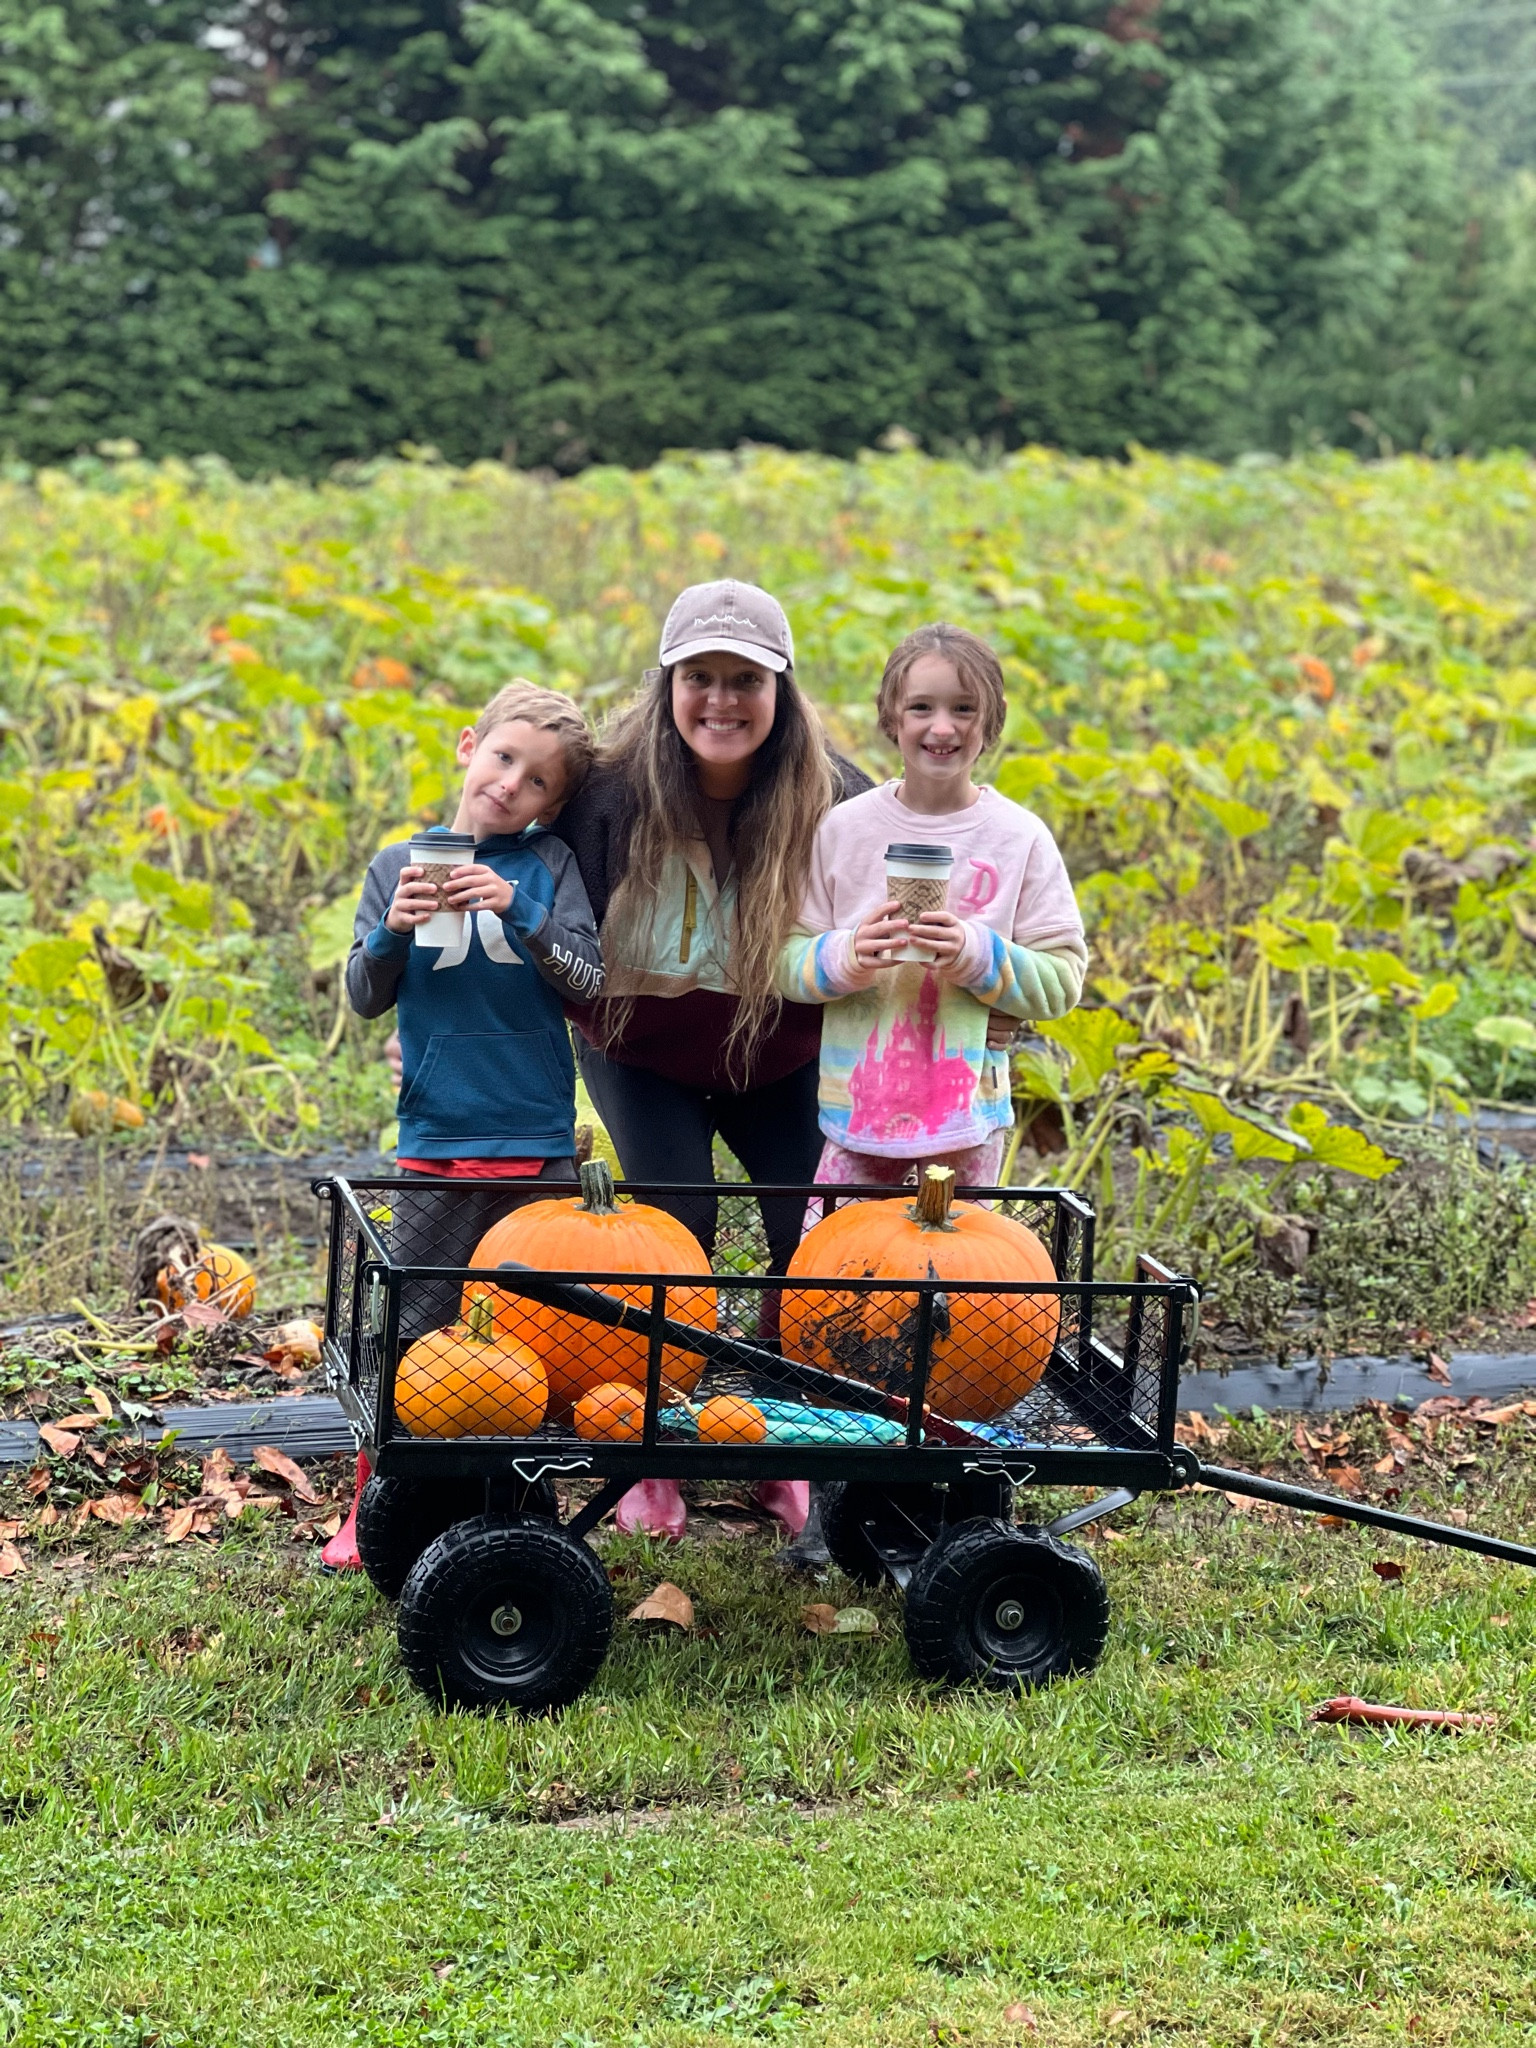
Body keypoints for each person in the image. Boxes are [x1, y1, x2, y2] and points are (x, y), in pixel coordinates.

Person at [551, 579, 872, 1541]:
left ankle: (789, 1450)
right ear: (667, 684)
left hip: (780, 1054)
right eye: (701, 677)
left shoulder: (837, 795)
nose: (721, 701)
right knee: (668, 1230)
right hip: (640, 1048)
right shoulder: (606, 795)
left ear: (782, 692)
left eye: (745, 680)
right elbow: (530, 890)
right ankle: (651, 1453)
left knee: (810, 1244)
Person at [323, 680, 603, 1570]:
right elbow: (365, 998)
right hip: (437, 1145)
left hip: (537, 1146)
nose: (511, 784)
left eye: (537, 783)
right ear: (468, 746)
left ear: (552, 807)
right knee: (416, 1330)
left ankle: (527, 1501)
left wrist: (518, 909)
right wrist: (392, 933)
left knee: (540, 1337)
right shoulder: (393, 864)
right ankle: (376, 1504)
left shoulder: (548, 866)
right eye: (504, 758)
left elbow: (589, 981)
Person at [778, 621, 1087, 1197]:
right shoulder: (844, 829)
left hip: (967, 1119)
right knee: (840, 1271)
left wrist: (979, 955)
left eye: (964, 709)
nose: (942, 727)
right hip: (857, 1116)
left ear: (990, 724)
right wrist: (846, 955)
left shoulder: (1019, 838)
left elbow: (1063, 979)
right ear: (892, 718)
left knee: (956, 1268)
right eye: (921, 707)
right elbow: (784, 960)